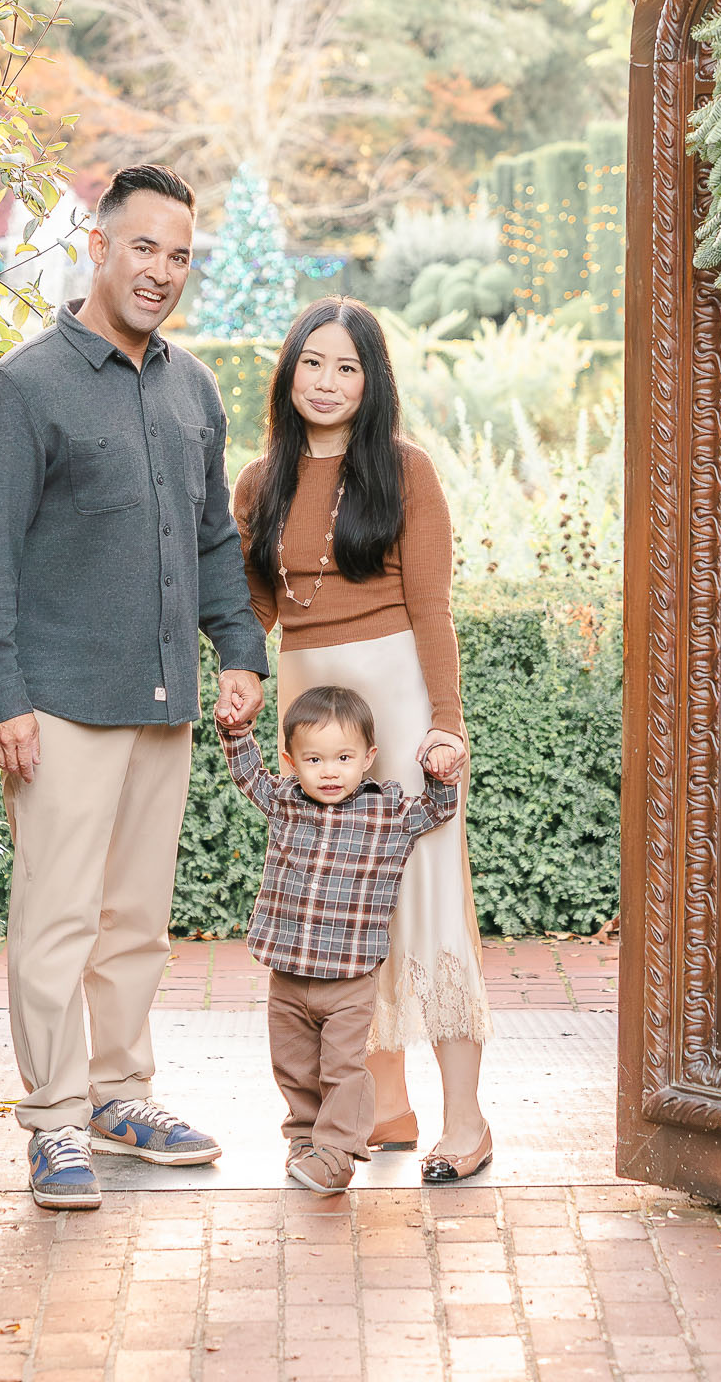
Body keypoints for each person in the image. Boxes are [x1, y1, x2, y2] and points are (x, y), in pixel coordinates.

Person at [0, 163, 270, 1212]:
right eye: (145, 247)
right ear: (98, 247)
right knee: (57, 918)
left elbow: (213, 534)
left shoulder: (191, 387)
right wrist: (0, 695)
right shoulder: (23, 387)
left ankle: (119, 1094)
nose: (162, 271)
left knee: (136, 920)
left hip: (161, 701)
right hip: (56, 704)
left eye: (180, 255)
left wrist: (238, 647)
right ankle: (51, 1122)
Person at [233, 297, 493, 1183]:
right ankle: (384, 1107)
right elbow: (257, 612)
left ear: (372, 379)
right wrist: (240, 676)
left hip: (399, 697)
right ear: (288, 371)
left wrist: (447, 723)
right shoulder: (259, 482)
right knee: (341, 899)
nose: (328, 382)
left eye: (348, 366)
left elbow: (433, 608)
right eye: (313, 362)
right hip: (310, 701)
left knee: (425, 903)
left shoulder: (407, 472)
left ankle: (467, 1122)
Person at [216, 682, 457, 1194]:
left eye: (344, 757)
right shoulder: (285, 801)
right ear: (291, 761)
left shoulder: (387, 811)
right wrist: (235, 730)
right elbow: (246, 775)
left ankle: (338, 1154)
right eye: (314, 759)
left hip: (350, 978)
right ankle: (305, 1142)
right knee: (295, 1067)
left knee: (344, 1070)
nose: (330, 771)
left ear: (369, 757)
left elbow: (437, 812)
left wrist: (442, 774)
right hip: (287, 973)